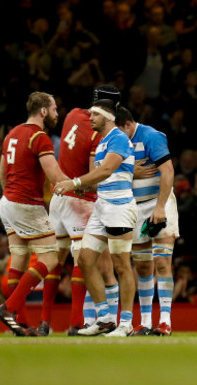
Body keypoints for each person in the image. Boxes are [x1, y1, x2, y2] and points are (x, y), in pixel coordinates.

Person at [39, 85, 120, 337]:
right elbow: (91, 176)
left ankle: (44, 322)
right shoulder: (99, 133)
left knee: (54, 261)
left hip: (57, 198)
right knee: (82, 260)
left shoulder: (73, 114)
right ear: (113, 108)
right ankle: (76, 322)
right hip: (80, 200)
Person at [53, 99, 137, 337]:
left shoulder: (119, 138)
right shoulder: (102, 143)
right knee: (85, 260)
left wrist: (76, 182)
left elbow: (106, 170)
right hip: (102, 206)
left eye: (95, 115)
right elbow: (101, 178)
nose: (90, 119)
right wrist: (86, 188)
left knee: (121, 265)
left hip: (119, 207)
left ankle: (126, 322)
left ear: (108, 118)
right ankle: (105, 318)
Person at [0, 91, 69, 336]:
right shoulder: (40, 137)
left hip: (7, 203)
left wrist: (12, 199)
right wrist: (82, 185)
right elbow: (54, 175)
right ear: (43, 111)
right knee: (50, 259)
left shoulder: (11, 135)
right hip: (27, 204)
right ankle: (9, 308)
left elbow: (1, 175)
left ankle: (22, 324)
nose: (58, 113)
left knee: (18, 262)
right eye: (55, 109)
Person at [115, 106, 178, 336]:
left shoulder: (151, 136)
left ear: (128, 125)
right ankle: (145, 322)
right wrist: (131, 172)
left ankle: (165, 321)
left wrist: (161, 207)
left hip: (159, 204)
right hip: (135, 209)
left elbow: (168, 170)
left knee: (162, 262)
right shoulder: (116, 141)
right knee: (142, 265)